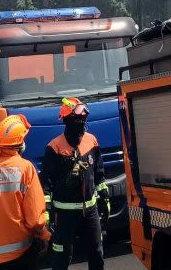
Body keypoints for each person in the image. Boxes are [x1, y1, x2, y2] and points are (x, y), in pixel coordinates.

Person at [0, 114, 51, 269]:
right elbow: (34, 219)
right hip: (22, 254)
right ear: (20, 143)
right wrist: (45, 235)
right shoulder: (26, 168)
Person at [42, 97, 107, 270]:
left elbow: (99, 173)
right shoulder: (54, 148)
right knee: (61, 258)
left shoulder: (91, 141)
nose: (81, 123)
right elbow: (46, 183)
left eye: (83, 119)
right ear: (66, 120)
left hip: (90, 211)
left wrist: (104, 197)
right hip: (64, 214)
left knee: (96, 254)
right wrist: (47, 212)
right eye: (77, 119)